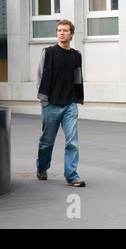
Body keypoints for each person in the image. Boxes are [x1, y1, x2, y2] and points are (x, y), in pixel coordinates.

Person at [35, 19, 86, 187]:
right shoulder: (48, 53)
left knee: (72, 141)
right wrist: (44, 100)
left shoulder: (76, 55)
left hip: (70, 104)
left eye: (65, 30)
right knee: (47, 141)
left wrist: (77, 98)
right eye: (59, 30)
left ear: (71, 34)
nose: (61, 33)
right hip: (51, 105)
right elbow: (40, 77)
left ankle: (71, 175)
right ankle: (42, 167)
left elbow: (78, 78)